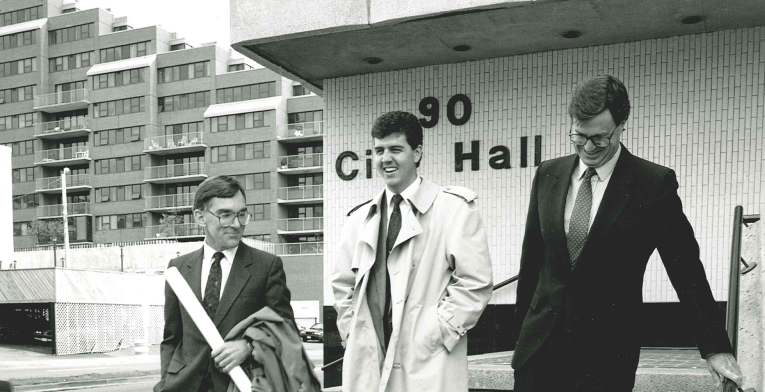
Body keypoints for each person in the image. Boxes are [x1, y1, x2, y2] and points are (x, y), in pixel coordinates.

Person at [511, 75, 745, 391]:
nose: (588, 148)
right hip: (539, 352)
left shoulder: (652, 185)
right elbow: (532, 261)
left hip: (605, 357)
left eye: (600, 138)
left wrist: (715, 347)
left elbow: (685, 269)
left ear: (622, 125)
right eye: (579, 136)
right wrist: (520, 335)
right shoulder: (548, 174)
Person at [332, 111, 493, 392]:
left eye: (396, 149)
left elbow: (475, 282)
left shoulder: (453, 209)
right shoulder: (358, 219)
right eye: (379, 150)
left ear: (417, 153)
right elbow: (343, 286)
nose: (386, 159)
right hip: (369, 361)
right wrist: (351, 332)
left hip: (428, 363)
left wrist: (435, 332)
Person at [155, 175, 295, 392]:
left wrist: (249, 346)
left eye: (241, 214)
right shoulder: (178, 269)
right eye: (225, 215)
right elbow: (172, 338)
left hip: (239, 384)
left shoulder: (266, 266)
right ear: (200, 217)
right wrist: (165, 384)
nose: (237, 224)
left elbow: (285, 328)